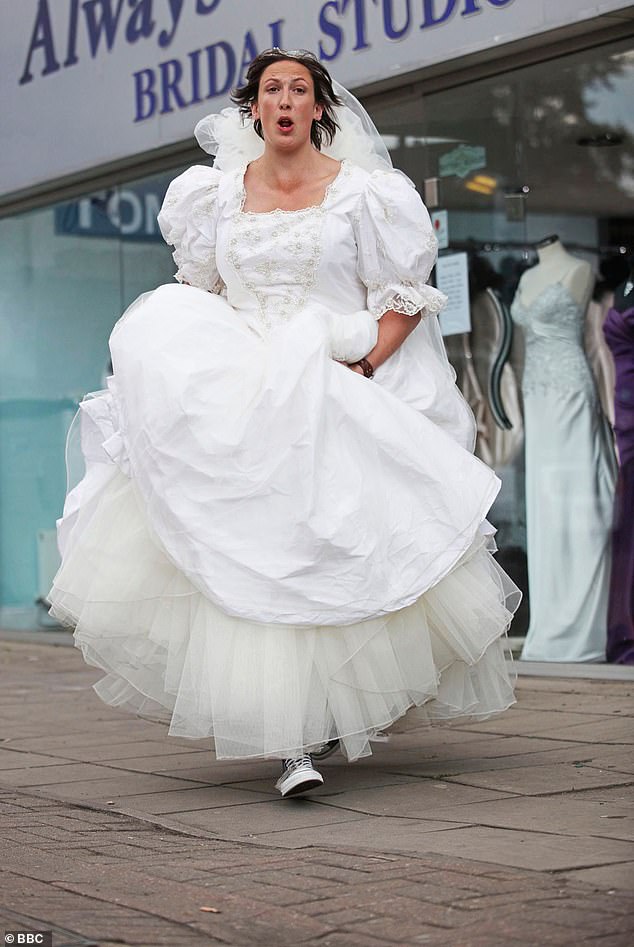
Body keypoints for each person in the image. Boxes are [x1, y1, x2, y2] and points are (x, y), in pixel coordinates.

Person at [49, 49, 519, 798]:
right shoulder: (212, 197)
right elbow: (197, 292)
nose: (287, 100)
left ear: (319, 108)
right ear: (256, 109)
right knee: (250, 554)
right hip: (241, 392)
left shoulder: (365, 195)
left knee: (321, 553)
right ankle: (289, 738)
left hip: (331, 383)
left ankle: (322, 711)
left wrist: (364, 368)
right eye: (274, 89)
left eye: (301, 89)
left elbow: (400, 295)